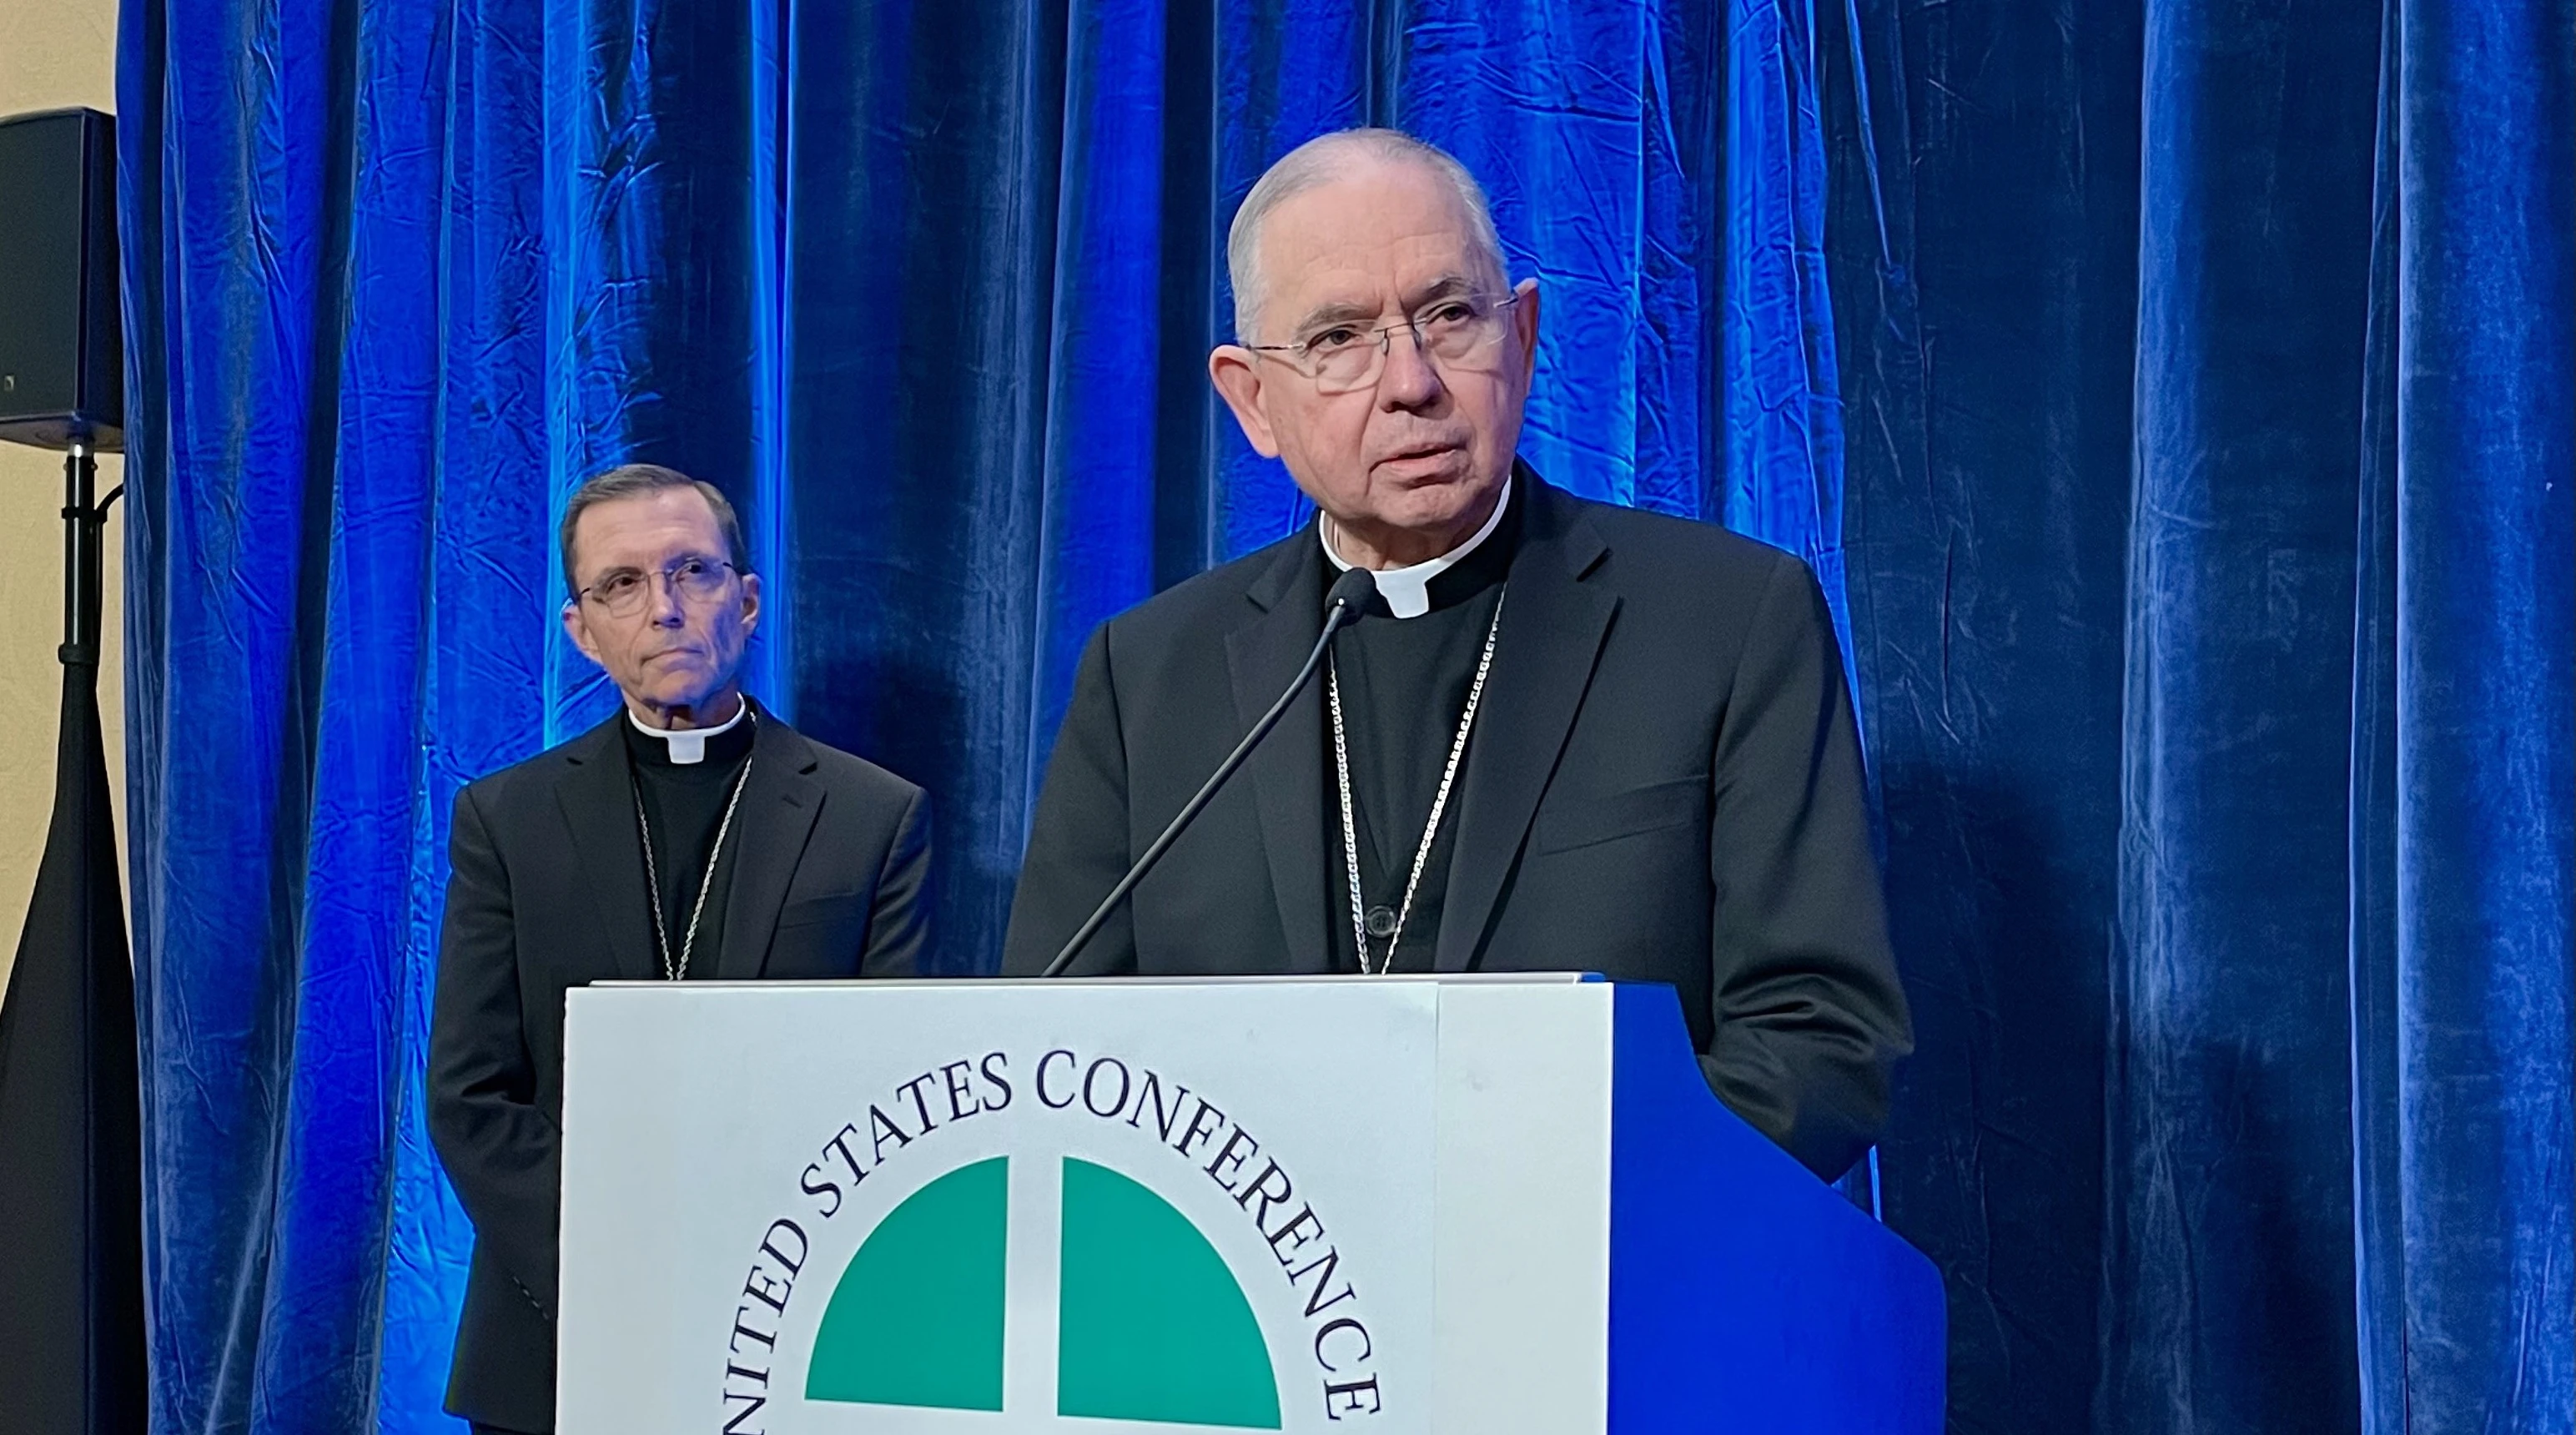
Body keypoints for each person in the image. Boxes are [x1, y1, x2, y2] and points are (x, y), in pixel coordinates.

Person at [1003, 129, 1909, 1181]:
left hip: (1608, 1298)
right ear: (1253, 399)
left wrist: (1523, 1198)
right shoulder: (1149, 677)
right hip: (1237, 1321)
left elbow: (1823, 1039)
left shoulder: (1726, 620)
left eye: (1447, 315)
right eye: (1338, 337)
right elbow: (1055, 1058)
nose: (1410, 383)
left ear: (1521, 335)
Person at [428, 463, 931, 1435]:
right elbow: (471, 1094)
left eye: (693, 571)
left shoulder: (870, 816)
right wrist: (624, 1275)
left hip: (798, 1330)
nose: (663, 608)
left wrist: (760, 1271)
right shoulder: (508, 820)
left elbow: (890, 1083)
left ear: (744, 602)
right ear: (581, 631)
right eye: (621, 584)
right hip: (554, 1337)